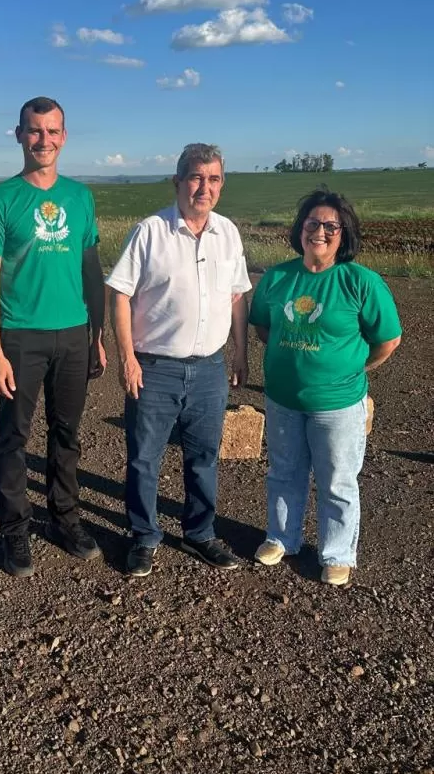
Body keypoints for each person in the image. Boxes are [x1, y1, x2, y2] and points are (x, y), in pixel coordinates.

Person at [0, 96, 106, 577]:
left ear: (64, 137)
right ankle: (14, 529)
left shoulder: (80, 197)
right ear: (19, 135)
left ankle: (63, 518)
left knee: (67, 432)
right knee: (13, 436)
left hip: (72, 332)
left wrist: (97, 333)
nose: (43, 140)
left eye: (52, 131)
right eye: (34, 131)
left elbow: (90, 268)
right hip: (19, 334)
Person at [106, 143, 251, 578]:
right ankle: (144, 536)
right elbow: (119, 294)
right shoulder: (150, 231)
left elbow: (238, 295)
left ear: (221, 184)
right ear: (178, 181)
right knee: (143, 458)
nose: (203, 187)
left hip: (209, 368)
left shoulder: (228, 233)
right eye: (195, 177)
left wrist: (241, 351)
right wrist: (127, 358)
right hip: (155, 367)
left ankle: (200, 532)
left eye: (213, 179)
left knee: (203, 457)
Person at [249, 188, 402, 586]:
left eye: (330, 225)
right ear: (300, 229)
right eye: (311, 223)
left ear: (343, 233)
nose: (319, 231)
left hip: (338, 403)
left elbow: (388, 340)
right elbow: (264, 326)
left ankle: (336, 553)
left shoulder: (360, 282)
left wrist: (353, 369)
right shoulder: (278, 277)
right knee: (283, 471)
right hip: (282, 398)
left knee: (337, 479)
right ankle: (281, 537)